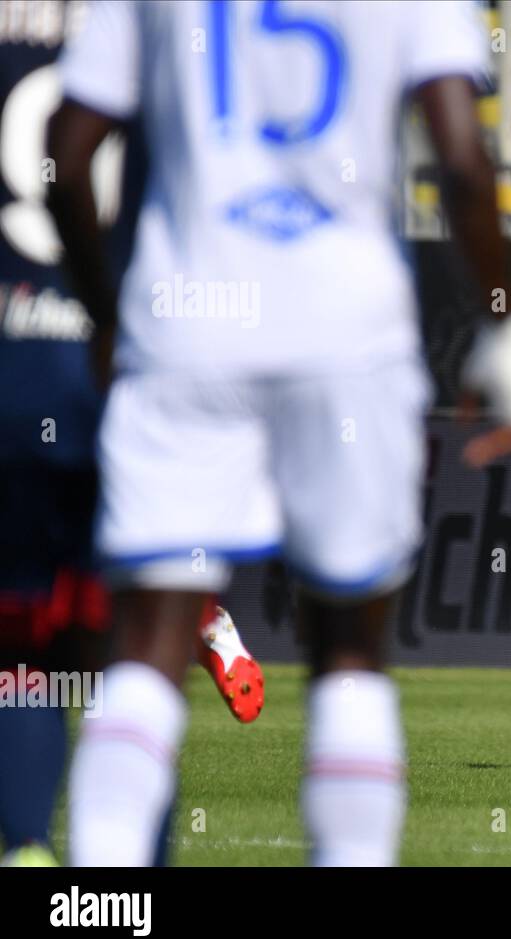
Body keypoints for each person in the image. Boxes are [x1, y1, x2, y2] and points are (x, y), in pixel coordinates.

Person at [46, 0, 511, 866]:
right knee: (350, 648)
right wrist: (502, 321)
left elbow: (71, 146)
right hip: (347, 336)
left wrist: (103, 318)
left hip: (184, 321)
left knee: (145, 650)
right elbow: (462, 160)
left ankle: (100, 900)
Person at [0, 2, 261, 867]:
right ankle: (123, 885)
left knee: (22, 641)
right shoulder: (161, 21)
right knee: (138, 645)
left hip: (13, 364)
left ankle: (28, 846)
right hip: (139, 363)